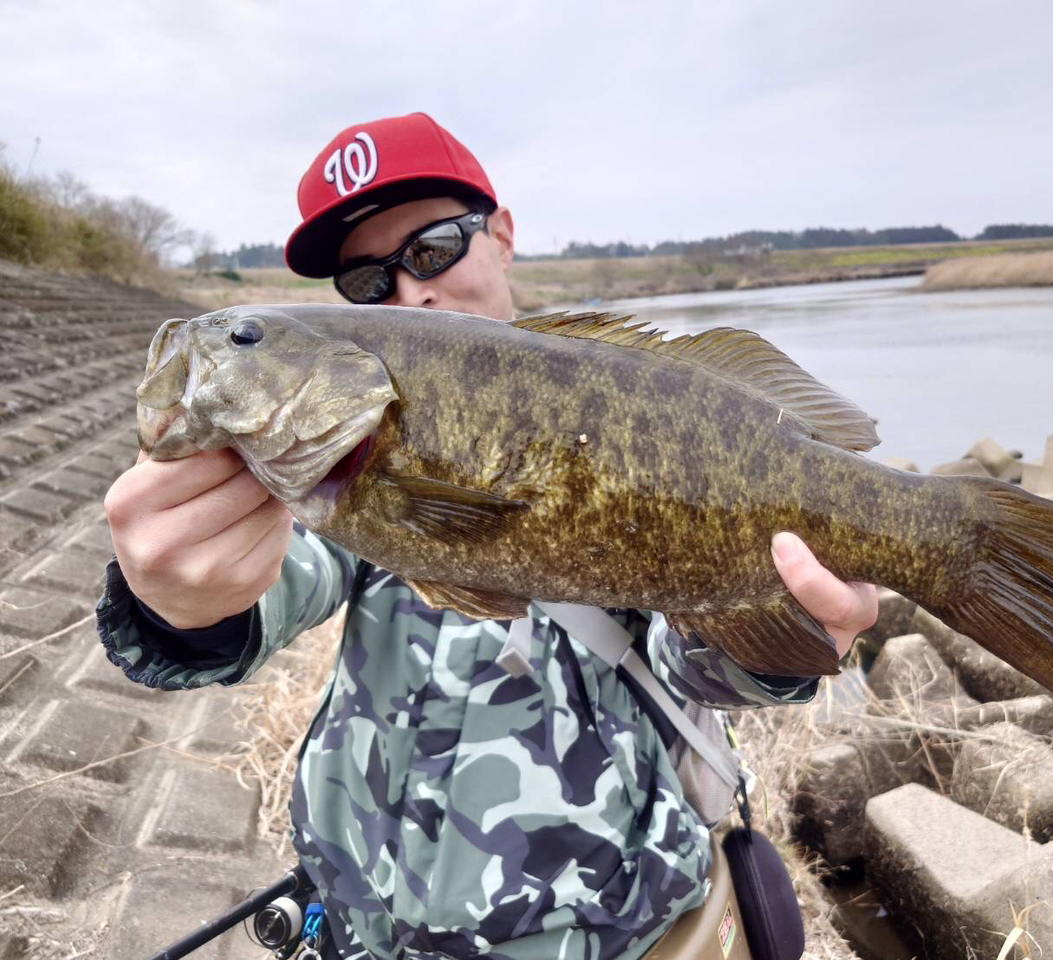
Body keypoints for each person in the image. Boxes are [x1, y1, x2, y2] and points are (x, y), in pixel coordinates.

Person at [98, 112, 879, 960]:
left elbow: (695, 659)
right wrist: (179, 601)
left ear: (503, 235)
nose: (409, 294)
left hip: (618, 938)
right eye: (366, 284)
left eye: (431, 250)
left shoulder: (631, 411)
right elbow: (275, 580)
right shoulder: (343, 464)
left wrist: (792, 634)